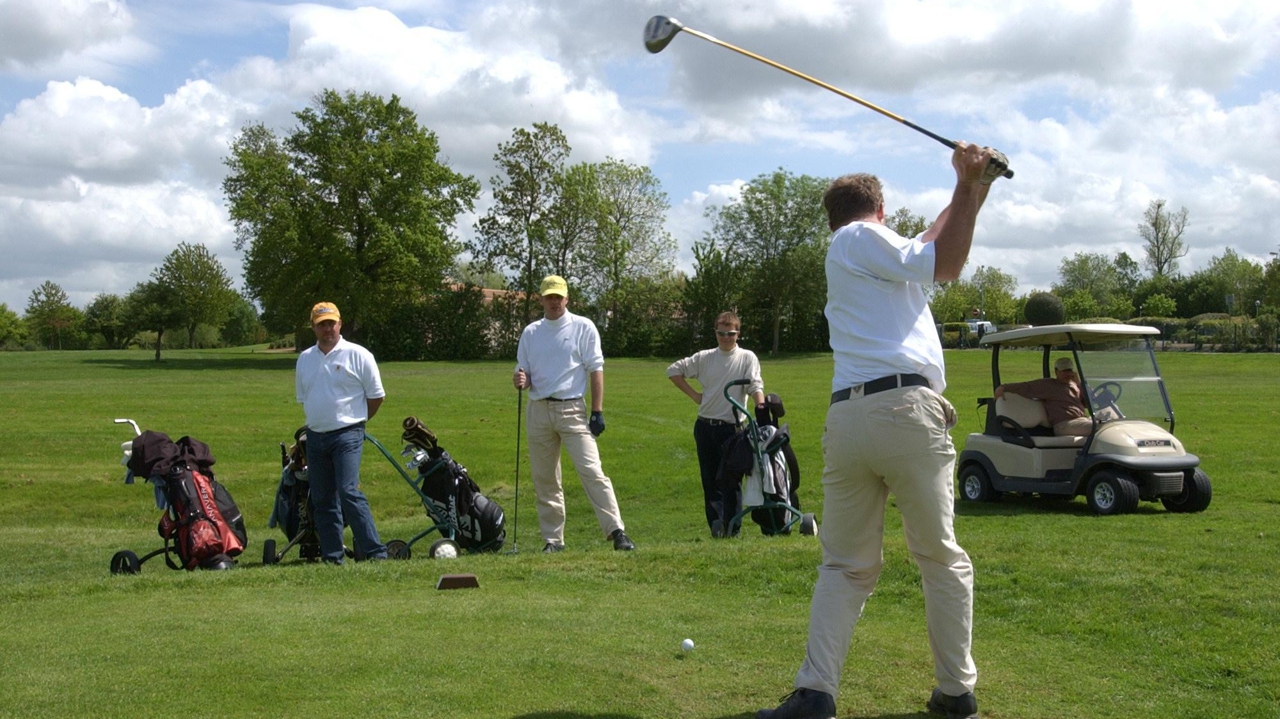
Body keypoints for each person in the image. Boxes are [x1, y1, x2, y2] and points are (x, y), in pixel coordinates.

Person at [757, 142, 1006, 719]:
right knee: (939, 557)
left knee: (845, 565)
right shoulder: (860, 237)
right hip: (903, 412)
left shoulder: (867, 255)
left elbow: (932, 240)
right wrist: (967, 184)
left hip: (852, 417)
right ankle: (955, 691)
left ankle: (816, 693)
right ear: (880, 209)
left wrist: (974, 187)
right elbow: (944, 262)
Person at [513, 275, 634, 553]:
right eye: (549, 297)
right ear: (541, 299)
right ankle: (553, 540)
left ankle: (617, 531)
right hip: (538, 410)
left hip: (572, 409)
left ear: (567, 298)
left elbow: (596, 369)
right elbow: (524, 373)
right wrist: (520, 380)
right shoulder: (531, 332)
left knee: (592, 470)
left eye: (558, 297)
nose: (554, 302)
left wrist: (597, 411)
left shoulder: (583, 327)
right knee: (545, 478)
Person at [295, 301, 388, 564]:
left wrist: (357, 423)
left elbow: (376, 397)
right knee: (322, 499)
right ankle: (332, 557)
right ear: (313, 327)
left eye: (331, 323)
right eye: (321, 324)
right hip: (315, 436)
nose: (328, 329)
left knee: (348, 491)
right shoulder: (305, 359)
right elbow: (306, 398)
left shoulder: (359, 354)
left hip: (348, 434)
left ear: (340, 323)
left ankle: (375, 552)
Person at [666, 311, 765, 538]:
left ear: (737, 333)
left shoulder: (747, 357)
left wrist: (761, 408)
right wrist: (695, 396)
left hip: (733, 428)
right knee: (710, 481)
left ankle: (733, 527)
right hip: (705, 427)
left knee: (730, 480)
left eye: (730, 333)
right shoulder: (705, 357)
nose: (725, 338)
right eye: (721, 333)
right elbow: (673, 371)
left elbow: (755, 385)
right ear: (715, 332)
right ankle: (717, 527)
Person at [995, 357, 1092, 436]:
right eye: (1064, 371)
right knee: (1100, 428)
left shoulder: (1075, 385)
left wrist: (1079, 383)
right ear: (1056, 372)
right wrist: (1003, 387)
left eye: (1069, 370)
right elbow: (1026, 387)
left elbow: (1089, 403)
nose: (1068, 374)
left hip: (1081, 421)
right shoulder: (1048, 385)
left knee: (1105, 424)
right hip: (1064, 424)